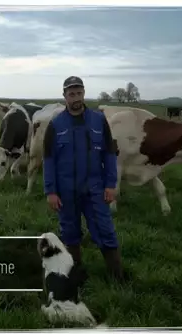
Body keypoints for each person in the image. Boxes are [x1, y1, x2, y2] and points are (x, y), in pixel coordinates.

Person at [42, 76, 124, 281]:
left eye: (79, 93)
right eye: (71, 94)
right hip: (66, 191)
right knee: (70, 232)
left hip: (95, 187)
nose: (76, 98)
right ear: (64, 96)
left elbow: (109, 153)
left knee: (105, 229)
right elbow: (48, 159)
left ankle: (117, 276)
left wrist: (111, 184)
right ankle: (76, 272)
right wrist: (50, 191)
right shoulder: (55, 124)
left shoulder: (98, 120)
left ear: (84, 93)